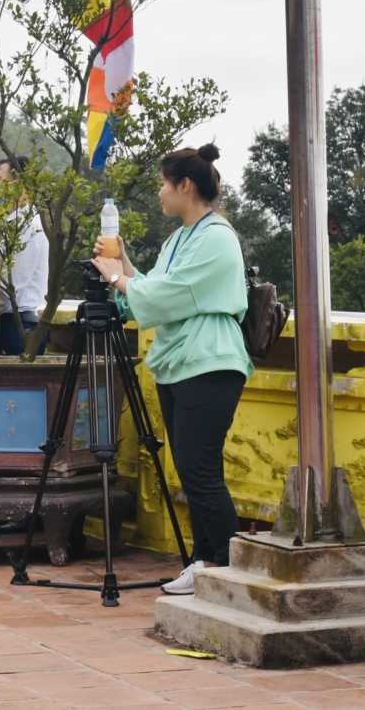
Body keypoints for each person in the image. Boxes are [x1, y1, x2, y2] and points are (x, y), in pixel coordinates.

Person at [91, 144, 251, 595]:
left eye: (164, 183)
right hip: (181, 362)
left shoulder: (217, 236)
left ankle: (224, 564)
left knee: (200, 470)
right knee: (189, 467)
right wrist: (120, 263)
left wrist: (117, 277)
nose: (160, 192)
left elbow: (166, 294)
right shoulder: (180, 237)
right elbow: (152, 291)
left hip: (210, 362)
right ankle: (205, 562)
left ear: (185, 185)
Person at [0, 156, 50, 356]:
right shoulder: (12, 224)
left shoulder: (26, 226)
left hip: (18, 325)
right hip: (11, 322)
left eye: (0, 179)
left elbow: (11, 285)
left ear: (19, 184)